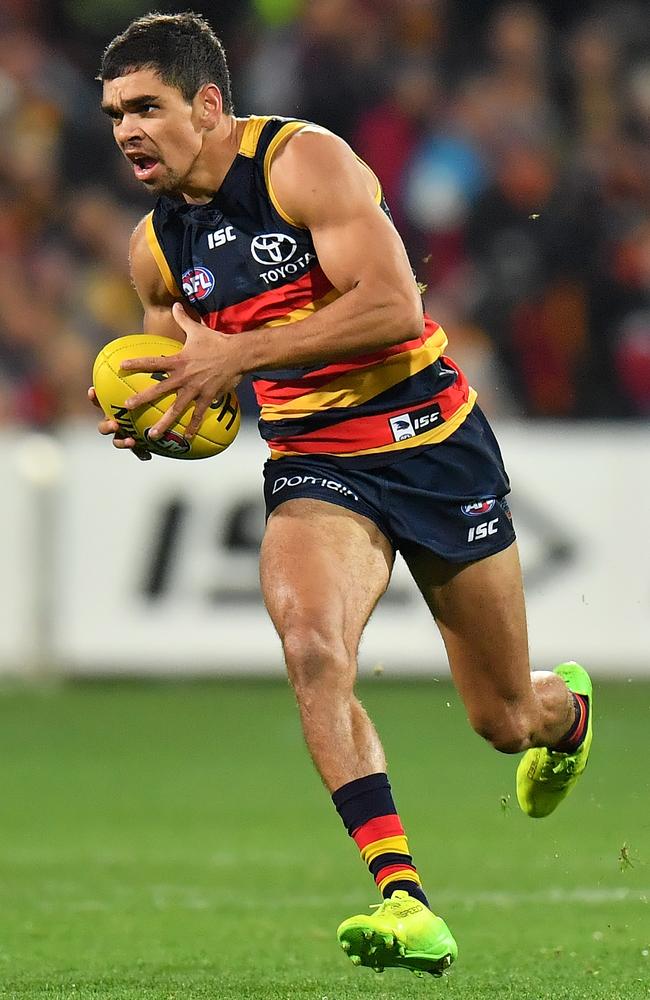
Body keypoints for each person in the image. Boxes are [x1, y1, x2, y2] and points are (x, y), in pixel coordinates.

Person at [90, 12, 593, 980]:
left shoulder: (303, 166)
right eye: (114, 113)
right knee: (311, 647)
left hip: (430, 441)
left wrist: (238, 353)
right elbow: (184, 382)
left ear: (206, 105)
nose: (126, 132)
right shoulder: (154, 252)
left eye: (146, 107)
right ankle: (402, 896)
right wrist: (150, 424)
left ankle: (560, 717)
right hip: (314, 460)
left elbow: (391, 305)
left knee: (499, 720)